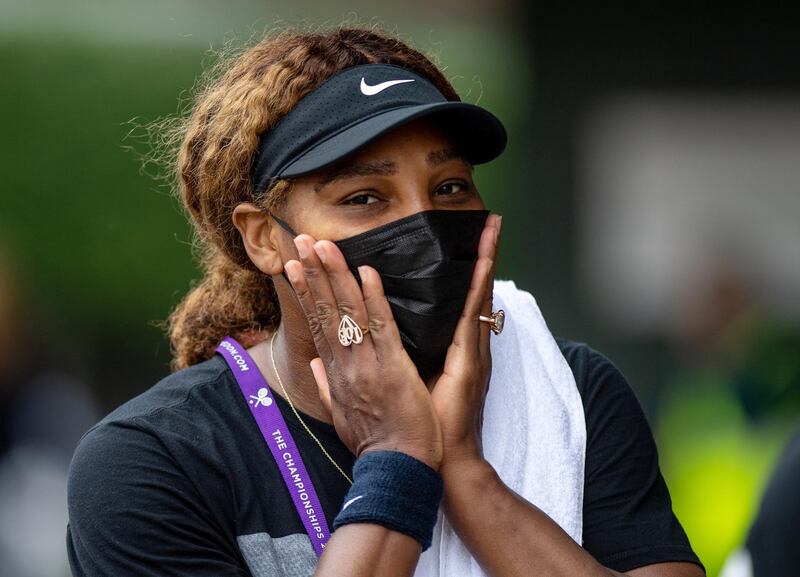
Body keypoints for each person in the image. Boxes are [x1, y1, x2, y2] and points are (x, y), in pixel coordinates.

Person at [66, 27, 704, 577]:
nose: (426, 225)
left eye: (450, 186)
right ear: (265, 238)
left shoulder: (571, 392)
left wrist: (465, 470)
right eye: (365, 198)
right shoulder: (155, 460)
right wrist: (397, 455)